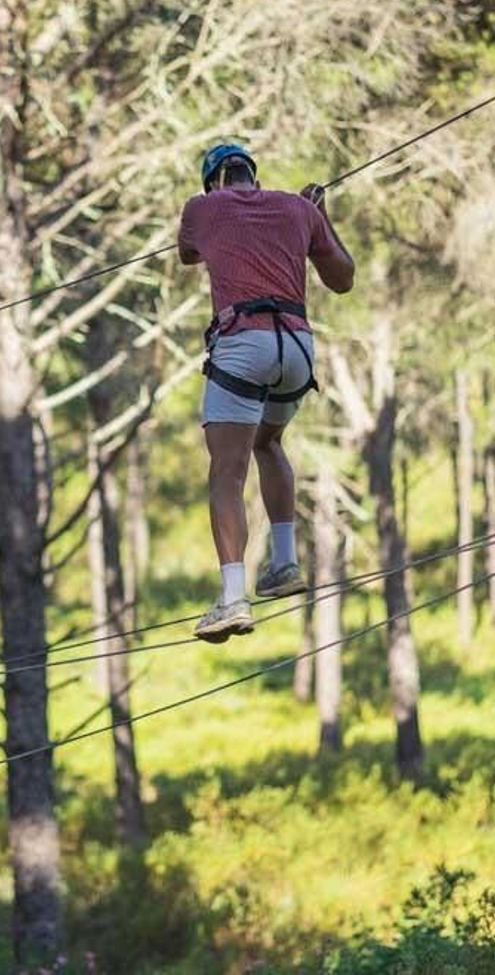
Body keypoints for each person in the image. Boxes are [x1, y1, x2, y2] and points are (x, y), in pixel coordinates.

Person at [178, 143, 356, 643]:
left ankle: (233, 598)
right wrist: (319, 217)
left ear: (212, 181)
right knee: (268, 442)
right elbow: (342, 279)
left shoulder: (202, 207)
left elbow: (187, 253)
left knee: (226, 471)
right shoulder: (299, 208)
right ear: (254, 177)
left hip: (242, 342)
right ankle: (283, 563)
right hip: (297, 347)